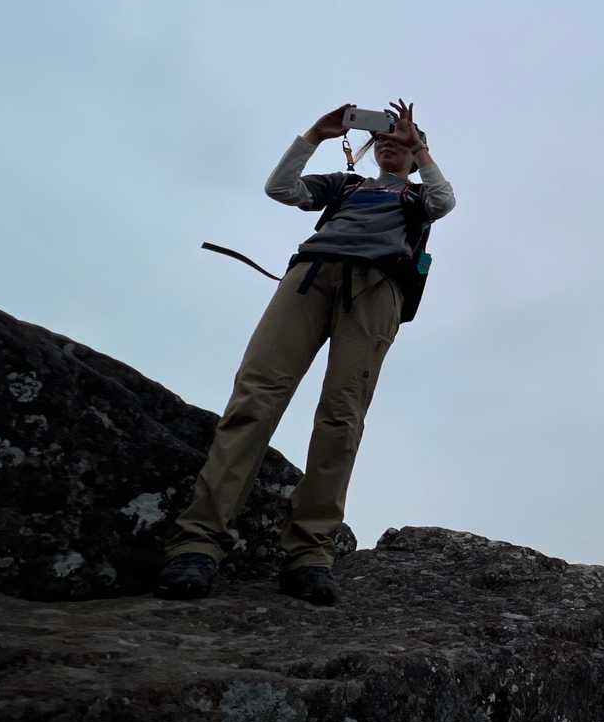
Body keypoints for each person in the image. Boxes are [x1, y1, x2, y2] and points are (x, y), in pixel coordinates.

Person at [156, 99, 455, 605]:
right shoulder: (345, 185)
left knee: (342, 416)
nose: (389, 143)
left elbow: (443, 203)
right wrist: (315, 134)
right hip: (309, 277)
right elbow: (281, 189)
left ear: (416, 149)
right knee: (255, 398)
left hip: (377, 289)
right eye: (382, 137)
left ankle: (310, 553)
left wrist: (421, 151)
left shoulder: (417, 195)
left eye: (401, 139)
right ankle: (197, 543)